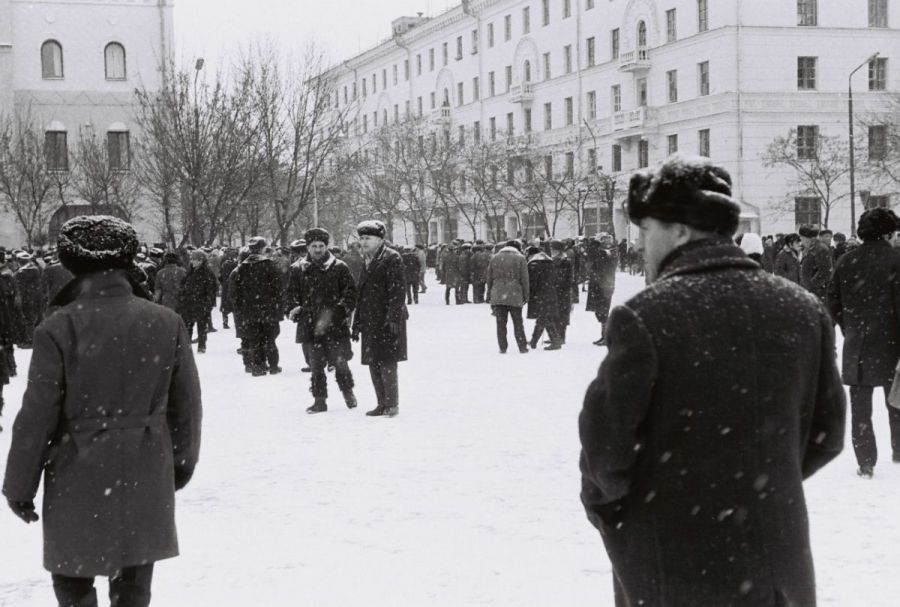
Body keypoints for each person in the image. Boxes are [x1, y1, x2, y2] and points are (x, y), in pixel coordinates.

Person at [579, 154, 845, 607]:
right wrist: (759, 483)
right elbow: (826, 435)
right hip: (775, 559)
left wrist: (624, 514)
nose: (643, 244)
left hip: (672, 559)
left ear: (679, 230)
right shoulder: (801, 308)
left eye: (647, 231)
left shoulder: (646, 316)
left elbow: (606, 451)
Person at [2, 215, 201, 607]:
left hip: (77, 469)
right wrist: (178, 464)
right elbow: (187, 407)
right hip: (145, 467)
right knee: (134, 587)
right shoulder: (164, 321)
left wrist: (20, 486)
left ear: (70, 263)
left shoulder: (58, 327)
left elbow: (37, 416)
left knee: (74, 583)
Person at [827, 208, 900, 477]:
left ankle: (866, 462)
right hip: (892, 345)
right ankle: (899, 453)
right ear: (889, 232)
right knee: (897, 402)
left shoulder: (846, 260)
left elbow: (832, 303)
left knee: (860, 410)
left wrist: (850, 329)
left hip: (857, 347)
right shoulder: (896, 260)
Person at [288, 228, 358, 414]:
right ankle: (320, 400)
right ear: (308, 248)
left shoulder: (339, 267)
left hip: (334, 325)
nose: (318, 250)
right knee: (316, 366)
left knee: (340, 363)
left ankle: (348, 392)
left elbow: (350, 294)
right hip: (310, 326)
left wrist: (341, 310)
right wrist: (295, 308)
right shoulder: (298, 269)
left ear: (326, 246)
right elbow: (290, 295)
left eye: (321, 246)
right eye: (313, 246)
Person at [352, 220, 407, 417]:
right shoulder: (367, 259)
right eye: (362, 238)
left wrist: (393, 317)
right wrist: (356, 323)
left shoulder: (392, 258)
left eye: (368, 238)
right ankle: (381, 402)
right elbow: (362, 294)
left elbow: (398, 291)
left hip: (387, 320)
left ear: (379, 239)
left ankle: (392, 403)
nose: (364, 242)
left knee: (387, 362)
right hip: (369, 319)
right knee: (373, 361)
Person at [233, 237, 284, 376]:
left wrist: (240, 308)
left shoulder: (242, 268)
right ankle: (273, 365)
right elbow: (279, 289)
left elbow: (236, 292)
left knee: (255, 340)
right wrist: (279, 308)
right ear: (263, 249)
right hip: (268, 310)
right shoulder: (270, 266)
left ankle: (258, 366)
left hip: (249, 311)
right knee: (270, 339)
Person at [486, 240, 530, 354]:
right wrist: (526, 295)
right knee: (518, 322)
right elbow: (525, 279)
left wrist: (489, 294)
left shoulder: (494, 258)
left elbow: (489, 278)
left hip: (498, 294)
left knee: (500, 324)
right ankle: (522, 346)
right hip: (515, 293)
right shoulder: (520, 258)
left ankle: (502, 346)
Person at [179, 249, 218, 354]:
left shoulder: (207, 273)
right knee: (188, 326)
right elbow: (183, 286)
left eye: (195, 260)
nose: (192, 262)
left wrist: (208, 304)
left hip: (201, 304)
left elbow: (212, 290)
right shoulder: (190, 272)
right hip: (189, 304)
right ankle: (187, 347)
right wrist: (183, 297)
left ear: (201, 261)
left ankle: (201, 346)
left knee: (201, 326)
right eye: (192, 259)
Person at [525, 246, 562, 350]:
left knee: (544, 318)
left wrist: (529, 293)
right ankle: (534, 341)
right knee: (545, 317)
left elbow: (532, 283)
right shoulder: (550, 263)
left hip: (540, 294)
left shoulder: (534, 265)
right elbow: (557, 279)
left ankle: (555, 341)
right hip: (551, 293)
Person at [585, 234, 618, 346]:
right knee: (598, 312)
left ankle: (607, 337)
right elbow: (591, 255)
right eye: (602, 240)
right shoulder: (600, 252)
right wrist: (594, 244)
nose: (604, 242)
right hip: (597, 284)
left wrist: (599, 250)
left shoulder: (612, 252)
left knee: (603, 312)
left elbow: (604, 263)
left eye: (606, 240)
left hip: (605, 286)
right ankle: (604, 335)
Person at [14, 252, 44, 347]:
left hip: (27, 299)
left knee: (28, 319)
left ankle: (30, 340)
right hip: (37, 298)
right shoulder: (37, 269)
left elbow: (20, 289)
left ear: (19, 261)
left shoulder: (20, 273)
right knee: (38, 318)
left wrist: (20, 300)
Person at [549, 240, 573, 344]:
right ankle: (556, 336)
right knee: (555, 313)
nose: (551, 251)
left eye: (553, 249)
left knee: (562, 314)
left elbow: (567, 278)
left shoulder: (565, 261)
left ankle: (561, 336)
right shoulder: (553, 260)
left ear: (558, 251)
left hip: (563, 291)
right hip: (556, 291)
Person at [799, 225, 832, 301]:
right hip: (811, 292)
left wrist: (811, 286)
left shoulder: (820, 249)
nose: (801, 241)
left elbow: (825, 272)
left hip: (817, 294)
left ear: (811, 239)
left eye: (802, 238)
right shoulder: (811, 248)